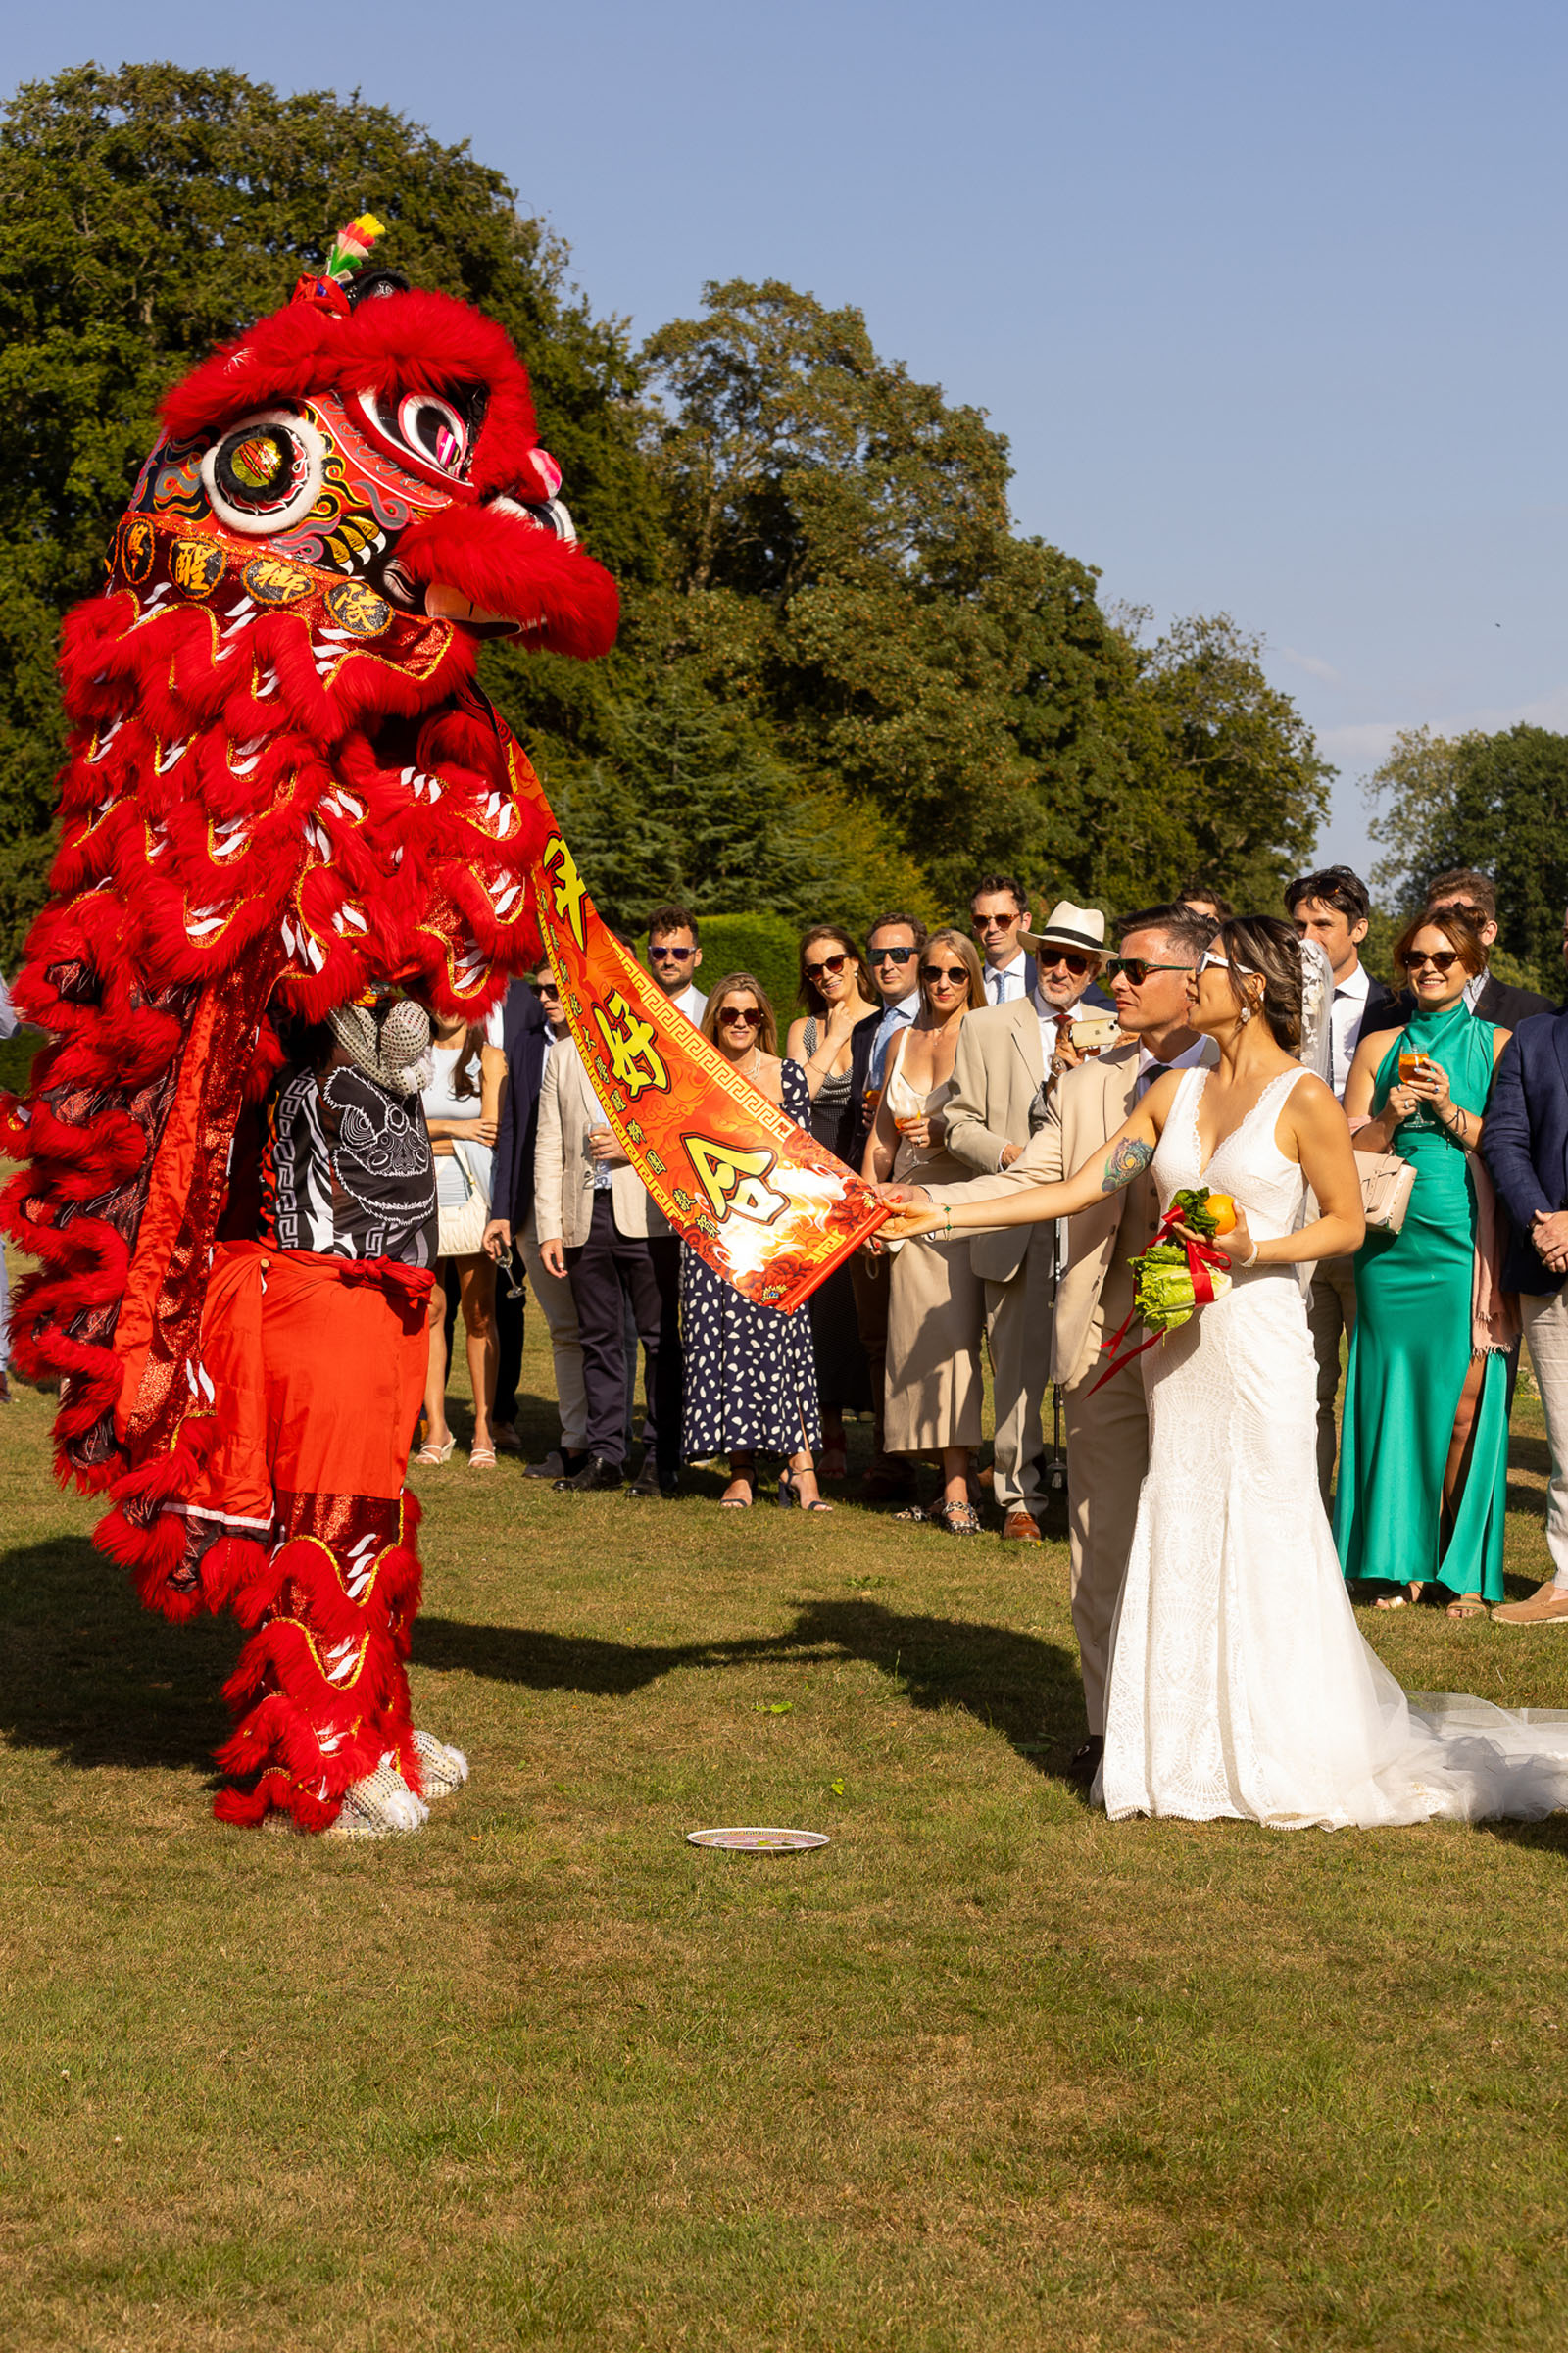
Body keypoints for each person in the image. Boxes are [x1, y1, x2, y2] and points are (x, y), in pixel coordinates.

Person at [882, 917, 1568, 1829]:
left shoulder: (1304, 1099)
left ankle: (1286, 1747)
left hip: (1259, 1342)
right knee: (1185, 1519)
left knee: (1267, 1527)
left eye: (1206, 967)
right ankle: (1179, 1754)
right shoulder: (1175, 1087)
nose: (1188, 979)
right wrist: (934, 1213)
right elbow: (1085, 1183)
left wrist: (1254, 1247)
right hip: (1178, 1354)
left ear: (1249, 984)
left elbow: (1346, 1222)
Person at [884, 904, 1217, 1774]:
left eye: (1136, 970)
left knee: (1199, 1533)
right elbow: (1042, 1175)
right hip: (1103, 1335)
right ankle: (1110, 1732)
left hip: (1210, 1342)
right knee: (1098, 1538)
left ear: (1194, 980)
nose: (1117, 984)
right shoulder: (1089, 1083)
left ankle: (1202, 1725)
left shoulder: (1239, 1077)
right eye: (1118, 970)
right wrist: (931, 1206)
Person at [1337, 908, 1514, 1616]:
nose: (1429, 968)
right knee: (1389, 1391)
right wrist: (1391, 1112)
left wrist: (1446, 1109)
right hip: (1391, 1241)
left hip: (1465, 1236)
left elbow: (1508, 1145)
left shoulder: (1499, 1043)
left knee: (1467, 1402)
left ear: (1471, 964)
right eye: (1416, 958)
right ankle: (1391, 1559)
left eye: (1444, 957)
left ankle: (1459, 1565)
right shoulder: (1379, 1044)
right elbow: (1348, 1149)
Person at [943, 901, 1110, 1540]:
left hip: (1092, 1220)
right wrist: (1013, 1157)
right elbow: (956, 1122)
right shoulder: (988, 1026)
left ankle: (1092, 1495)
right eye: (1050, 955)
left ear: (1094, 968)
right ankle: (1019, 1498)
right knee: (1014, 1367)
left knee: (1090, 1362)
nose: (1060, 968)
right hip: (1016, 1214)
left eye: (1074, 960)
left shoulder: (1116, 1028)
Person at [680, 975, 831, 1510]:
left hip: (775, 1234)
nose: (740, 1022)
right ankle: (740, 1470)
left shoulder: (786, 1075)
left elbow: (805, 1160)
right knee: (724, 1347)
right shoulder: (693, 1075)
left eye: (751, 1015)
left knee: (785, 1349)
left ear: (763, 1021)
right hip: (713, 1233)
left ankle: (801, 1468)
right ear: (715, 1019)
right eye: (729, 1014)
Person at [864, 929, 988, 1532]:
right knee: (916, 1348)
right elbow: (882, 1139)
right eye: (934, 972)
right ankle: (946, 1486)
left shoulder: (985, 1038)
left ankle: (963, 1489)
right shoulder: (902, 1041)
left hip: (965, 1205)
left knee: (955, 1348)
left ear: (972, 978)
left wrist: (948, 1136)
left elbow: (1000, 1127)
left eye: (955, 974)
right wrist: (864, 1207)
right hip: (903, 1212)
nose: (941, 983)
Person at [1285, 865, 1400, 1502]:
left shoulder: (1394, 1007)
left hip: (1368, 1206)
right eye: (1299, 924)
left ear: (1357, 929)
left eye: (1322, 924)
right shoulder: (1271, 1003)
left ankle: (1365, 1528)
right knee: (1303, 1381)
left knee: (1372, 1380)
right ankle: (1307, 1517)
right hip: (1288, 1206)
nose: (1307, 936)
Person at [533, 1031, 675, 1494]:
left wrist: (632, 1144)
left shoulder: (658, 1039)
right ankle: (606, 1456)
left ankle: (661, 1459)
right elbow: (549, 1142)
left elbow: (682, 1123)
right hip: (582, 1215)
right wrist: (549, 1226)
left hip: (651, 1217)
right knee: (598, 1338)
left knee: (660, 1342)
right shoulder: (563, 1053)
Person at [1485, 902, 1568, 1624]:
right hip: (1551, 1261)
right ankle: (1567, 1580)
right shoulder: (1535, 1039)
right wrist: (1545, 1223)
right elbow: (1505, 1139)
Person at [481, 961, 590, 1481]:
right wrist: (502, 1211)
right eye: (540, 989)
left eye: (556, 989)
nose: (546, 997)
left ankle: (613, 1442)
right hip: (531, 1210)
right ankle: (574, 1444)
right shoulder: (524, 1047)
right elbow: (511, 1131)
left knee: (610, 1331)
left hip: (597, 1207)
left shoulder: (612, 1051)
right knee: (565, 1332)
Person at [786, 926, 879, 1474]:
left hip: (863, 1176)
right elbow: (799, 1097)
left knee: (863, 1310)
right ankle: (829, 1429)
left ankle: (884, 1441)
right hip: (811, 1184)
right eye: (815, 969)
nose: (826, 975)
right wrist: (835, 1030)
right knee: (819, 1309)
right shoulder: (805, 1029)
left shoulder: (884, 1023)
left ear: (855, 963)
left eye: (835, 962)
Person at [847, 912, 928, 1501]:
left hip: (932, 1194)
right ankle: (889, 1455)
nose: (888, 965)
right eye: (877, 957)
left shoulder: (944, 1023)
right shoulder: (867, 1030)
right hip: (866, 1188)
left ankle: (948, 1460)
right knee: (877, 1336)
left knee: (933, 1332)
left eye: (900, 955)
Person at [416, 1012, 506, 1467]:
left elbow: (489, 1131)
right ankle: (437, 1426)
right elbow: (401, 1129)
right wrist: (457, 1129)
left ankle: (483, 1429)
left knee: (479, 1313)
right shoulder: (411, 1052)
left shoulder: (489, 1058)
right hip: (418, 1199)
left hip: (475, 1200)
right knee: (430, 1310)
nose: (448, 1008)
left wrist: (434, 1134)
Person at [1361, 870, 1554, 1038]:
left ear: (1488, 933)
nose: (1444, 931)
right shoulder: (1390, 1010)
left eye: (1460, 922)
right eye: (1436, 920)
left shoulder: (1532, 1013)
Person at [970, 874, 1034, 1005]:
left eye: (1003, 919)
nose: (992, 928)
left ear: (1025, 922)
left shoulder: (1050, 981)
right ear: (974, 927)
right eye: (982, 920)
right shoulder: (966, 988)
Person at [646, 903, 708, 1025]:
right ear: (649, 956)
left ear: (697, 957)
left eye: (680, 953)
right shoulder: (627, 1010)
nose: (669, 961)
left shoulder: (713, 1014)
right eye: (659, 952)